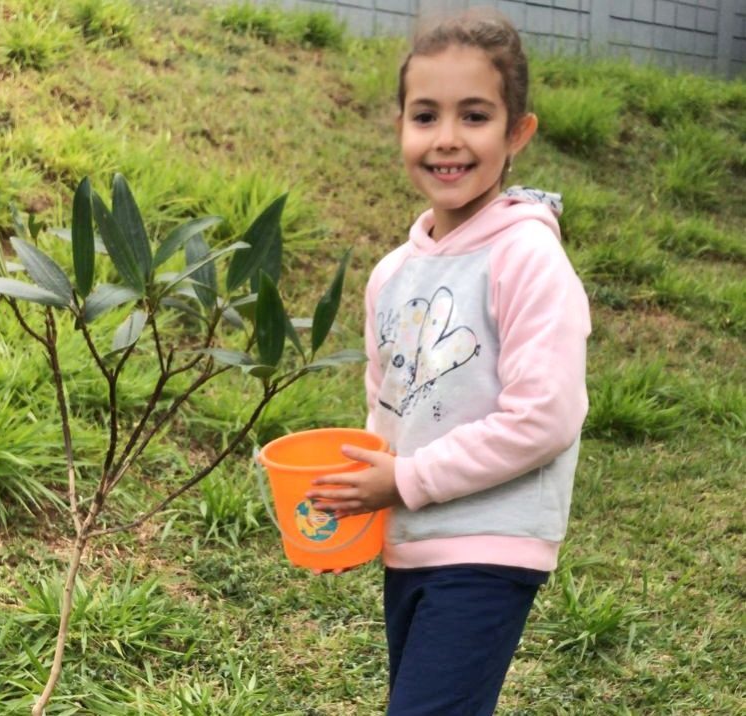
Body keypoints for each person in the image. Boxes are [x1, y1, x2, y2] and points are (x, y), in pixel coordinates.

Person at [305, 8, 591, 715]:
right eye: (426, 116)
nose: (448, 140)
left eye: (475, 116)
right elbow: (387, 408)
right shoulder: (392, 273)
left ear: (516, 131)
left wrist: (406, 480)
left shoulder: (526, 257)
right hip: (412, 542)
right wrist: (362, 502)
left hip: (490, 547)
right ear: (400, 126)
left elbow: (545, 418)